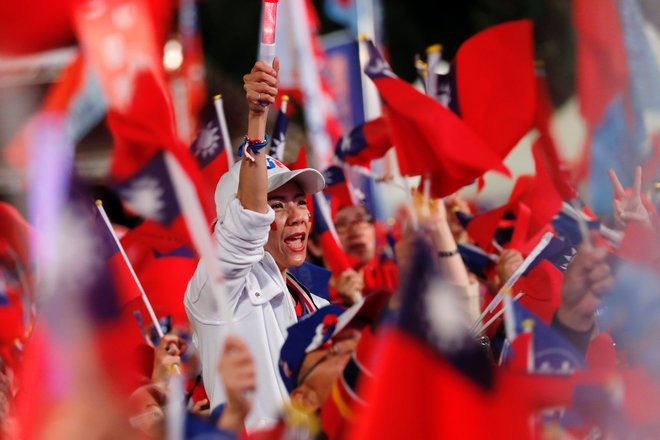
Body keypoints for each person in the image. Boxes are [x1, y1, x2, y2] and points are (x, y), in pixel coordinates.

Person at [184, 59, 328, 429]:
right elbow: (246, 225)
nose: (297, 215)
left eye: (300, 202)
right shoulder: (219, 292)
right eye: (276, 206)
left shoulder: (318, 306)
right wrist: (257, 121)